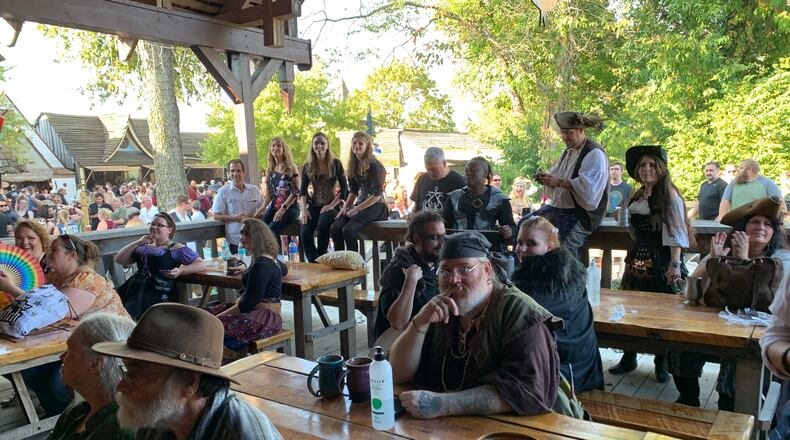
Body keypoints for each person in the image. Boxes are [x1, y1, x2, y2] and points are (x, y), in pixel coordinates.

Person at [390, 231, 580, 419]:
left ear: (488, 270)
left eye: (465, 269)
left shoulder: (521, 313)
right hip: (456, 427)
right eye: (445, 271)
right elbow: (399, 374)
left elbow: (528, 390)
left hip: (526, 427)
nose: (454, 280)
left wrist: (443, 404)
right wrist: (420, 322)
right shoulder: (441, 309)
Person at [92, 303, 283, 439]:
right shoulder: (158, 418)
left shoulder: (242, 432)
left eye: (135, 374)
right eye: (126, 371)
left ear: (189, 383)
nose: (120, 386)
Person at [0, 234, 131, 417]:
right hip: (76, 345)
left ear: (72, 255)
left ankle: (70, 415)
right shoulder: (56, 277)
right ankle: (56, 414)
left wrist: (9, 287)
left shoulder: (88, 281)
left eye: (55, 249)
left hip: (109, 352)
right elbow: (34, 301)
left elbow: (48, 311)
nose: (49, 253)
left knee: (55, 382)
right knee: (29, 371)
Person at [681, 197, 790, 409]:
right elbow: (692, 291)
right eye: (754, 222)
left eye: (767, 224)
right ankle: (688, 398)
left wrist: (744, 262)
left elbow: (765, 300)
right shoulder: (725, 250)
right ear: (742, 228)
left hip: (759, 332)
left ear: (773, 232)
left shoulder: (782, 258)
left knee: (738, 358)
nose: (761, 227)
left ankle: (732, 408)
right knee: (682, 345)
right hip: (716, 326)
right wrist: (712, 261)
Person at [608, 146, 692, 385]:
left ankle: (660, 362)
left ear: (661, 168)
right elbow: (637, 232)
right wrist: (625, 222)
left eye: (652, 165)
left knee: (660, 313)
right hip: (637, 260)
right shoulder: (637, 195)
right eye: (642, 165)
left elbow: (676, 233)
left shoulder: (669, 196)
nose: (647, 169)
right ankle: (629, 356)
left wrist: (675, 264)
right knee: (631, 307)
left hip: (661, 262)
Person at [512, 217, 604, 393]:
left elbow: (519, 317)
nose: (521, 249)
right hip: (585, 368)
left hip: (569, 377)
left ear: (549, 247)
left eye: (531, 243)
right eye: (519, 242)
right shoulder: (568, 273)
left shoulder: (548, 286)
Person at [531, 111, 609, 257]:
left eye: (569, 132)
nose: (564, 137)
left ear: (581, 130)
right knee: (527, 227)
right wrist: (546, 179)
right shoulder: (567, 152)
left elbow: (589, 189)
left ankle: (567, 271)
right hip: (559, 209)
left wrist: (558, 182)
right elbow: (556, 175)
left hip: (580, 214)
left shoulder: (594, 153)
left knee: (563, 252)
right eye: (562, 132)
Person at [48, 313, 137, 440]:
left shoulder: (119, 430)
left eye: (70, 350)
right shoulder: (77, 412)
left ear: (95, 364)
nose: (61, 357)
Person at [210, 219, 287, 358]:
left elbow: (247, 304)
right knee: (205, 313)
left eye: (247, 234)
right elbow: (284, 270)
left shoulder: (261, 265)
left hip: (264, 319)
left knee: (211, 325)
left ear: (258, 237)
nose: (242, 238)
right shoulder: (269, 258)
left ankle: (230, 361)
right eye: (242, 233)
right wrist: (248, 271)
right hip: (267, 315)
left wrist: (216, 318)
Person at [114, 213, 205, 319]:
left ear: (169, 230)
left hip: (158, 291)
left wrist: (180, 271)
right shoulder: (143, 247)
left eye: (160, 225)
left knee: (141, 317)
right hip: (133, 288)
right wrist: (138, 242)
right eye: (152, 224)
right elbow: (119, 259)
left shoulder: (176, 248)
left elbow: (201, 263)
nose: (154, 227)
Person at [373, 211, 444, 341]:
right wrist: (411, 280)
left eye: (443, 236)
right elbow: (397, 322)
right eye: (434, 238)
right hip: (400, 346)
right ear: (417, 239)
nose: (441, 243)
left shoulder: (436, 266)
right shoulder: (400, 268)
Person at [330, 131, 388, 253]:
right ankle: (340, 259)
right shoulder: (353, 165)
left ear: (367, 146)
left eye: (360, 143)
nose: (357, 146)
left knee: (348, 230)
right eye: (354, 143)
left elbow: (377, 195)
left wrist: (357, 209)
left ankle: (355, 263)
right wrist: (345, 208)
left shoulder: (375, 165)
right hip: (361, 205)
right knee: (335, 228)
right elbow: (353, 191)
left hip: (376, 206)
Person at [444, 157, 515, 251]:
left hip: (488, 250)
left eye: (473, 171)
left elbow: (511, 227)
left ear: (485, 174)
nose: (468, 174)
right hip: (457, 249)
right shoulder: (454, 197)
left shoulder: (499, 199)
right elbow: (444, 226)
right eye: (466, 171)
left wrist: (508, 231)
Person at [298, 132, 348, 262]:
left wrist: (331, 205)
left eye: (322, 143)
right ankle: (315, 262)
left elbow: (344, 188)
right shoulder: (308, 166)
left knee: (322, 226)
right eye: (316, 143)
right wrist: (303, 209)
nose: (319, 146)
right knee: (304, 231)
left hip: (332, 206)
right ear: (312, 146)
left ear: (327, 146)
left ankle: (322, 258)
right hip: (314, 206)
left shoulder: (335, 163)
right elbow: (302, 191)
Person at [212, 159, 264, 254]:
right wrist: (234, 218)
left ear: (244, 173)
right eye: (232, 171)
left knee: (258, 263)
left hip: (255, 238)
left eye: (238, 170)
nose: (235, 173)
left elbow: (263, 211)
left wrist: (249, 217)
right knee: (238, 263)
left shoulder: (254, 190)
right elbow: (216, 215)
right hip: (235, 240)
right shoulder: (223, 191)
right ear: (228, 173)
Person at [255, 137, 300, 236]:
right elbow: (269, 193)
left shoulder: (291, 167)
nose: (275, 148)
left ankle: (275, 247)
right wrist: (263, 207)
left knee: (271, 231)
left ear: (284, 149)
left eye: (279, 146)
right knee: (260, 228)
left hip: (290, 208)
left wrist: (282, 209)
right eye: (273, 146)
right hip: (274, 206)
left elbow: (296, 192)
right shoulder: (270, 169)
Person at [718, 159, 783, 220]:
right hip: (737, 221)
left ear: (749, 169)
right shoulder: (733, 184)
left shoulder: (767, 183)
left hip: (758, 222)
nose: (738, 170)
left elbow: (779, 202)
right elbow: (724, 202)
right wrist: (723, 220)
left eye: (741, 168)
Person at [410, 147, 465, 213]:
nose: (430, 173)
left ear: (444, 163)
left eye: (434, 170)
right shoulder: (422, 179)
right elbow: (417, 206)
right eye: (427, 169)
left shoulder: (459, 182)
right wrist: (412, 215)